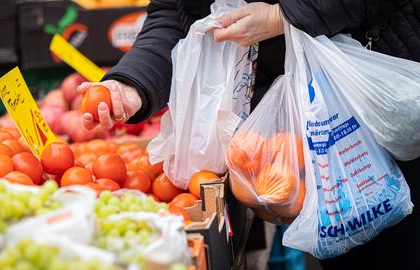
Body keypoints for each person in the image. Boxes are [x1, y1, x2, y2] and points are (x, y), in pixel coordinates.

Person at [78, 1, 420, 269]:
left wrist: (283, 15)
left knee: (398, 237)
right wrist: (130, 84)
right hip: (303, 123)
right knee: (343, 239)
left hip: (376, 88)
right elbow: (175, 14)